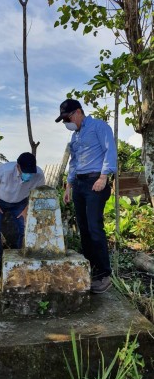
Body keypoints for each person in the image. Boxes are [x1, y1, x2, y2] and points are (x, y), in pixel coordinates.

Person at [55, 99, 117, 294]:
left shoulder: (99, 126)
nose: (66, 122)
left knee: (94, 227)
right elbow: (73, 163)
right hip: (80, 184)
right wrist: (68, 187)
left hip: (95, 182)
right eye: (64, 119)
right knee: (83, 227)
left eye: (68, 117)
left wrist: (104, 176)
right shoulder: (75, 137)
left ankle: (104, 273)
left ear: (79, 112)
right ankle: (90, 267)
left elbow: (110, 150)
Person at [0, 152, 45, 278]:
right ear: (18, 166)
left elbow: (39, 192)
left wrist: (27, 208)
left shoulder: (38, 174)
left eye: (31, 172)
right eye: (26, 171)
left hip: (20, 203)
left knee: (26, 228)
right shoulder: (4, 170)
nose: (29, 175)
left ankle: (19, 259)